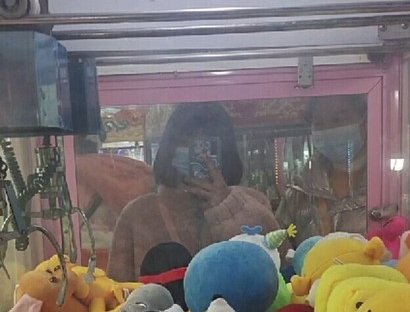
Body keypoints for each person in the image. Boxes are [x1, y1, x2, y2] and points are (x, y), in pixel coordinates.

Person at [107, 102, 281, 282]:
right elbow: (117, 292)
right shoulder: (138, 214)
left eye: (208, 145)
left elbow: (277, 274)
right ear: (170, 149)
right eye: (186, 143)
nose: (198, 156)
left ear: (225, 151)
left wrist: (227, 207)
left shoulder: (252, 203)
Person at [275, 94, 368, 246]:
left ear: (364, 121)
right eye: (318, 123)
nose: (328, 129)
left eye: (338, 120)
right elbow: (278, 244)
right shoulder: (300, 190)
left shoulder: (387, 182)